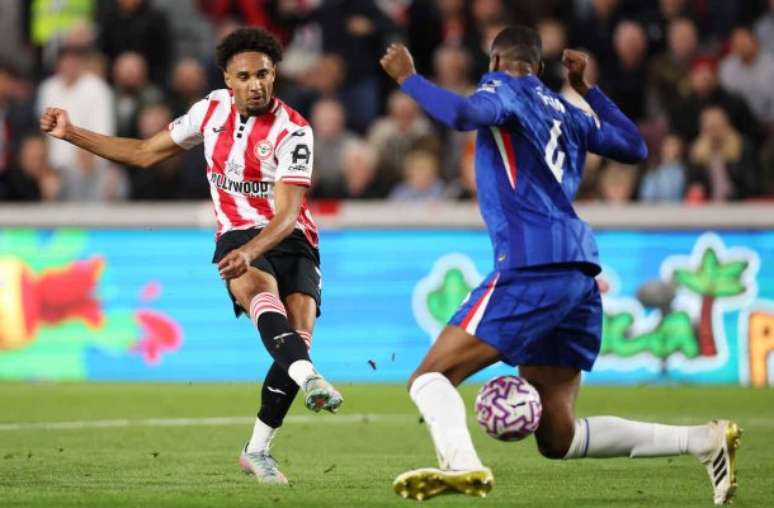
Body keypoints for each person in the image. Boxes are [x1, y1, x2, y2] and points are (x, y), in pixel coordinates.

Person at [380, 25, 741, 505]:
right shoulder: (568, 110)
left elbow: (465, 114)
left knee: (430, 377)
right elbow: (635, 147)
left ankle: (462, 465)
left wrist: (410, 79)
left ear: (494, 62)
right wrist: (589, 90)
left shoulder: (501, 90)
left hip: (532, 265)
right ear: (541, 67)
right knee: (558, 436)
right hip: (578, 272)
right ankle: (703, 441)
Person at [40, 27, 342, 485]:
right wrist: (71, 133)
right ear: (227, 77)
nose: (255, 84)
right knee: (262, 297)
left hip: (291, 239)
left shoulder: (294, 130)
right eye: (244, 76)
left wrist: (253, 251)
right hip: (236, 234)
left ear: (275, 73)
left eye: (263, 74)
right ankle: (312, 378)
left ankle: (257, 449)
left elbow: (287, 214)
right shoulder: (210, 111)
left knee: (298, 333)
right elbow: (143, 153)